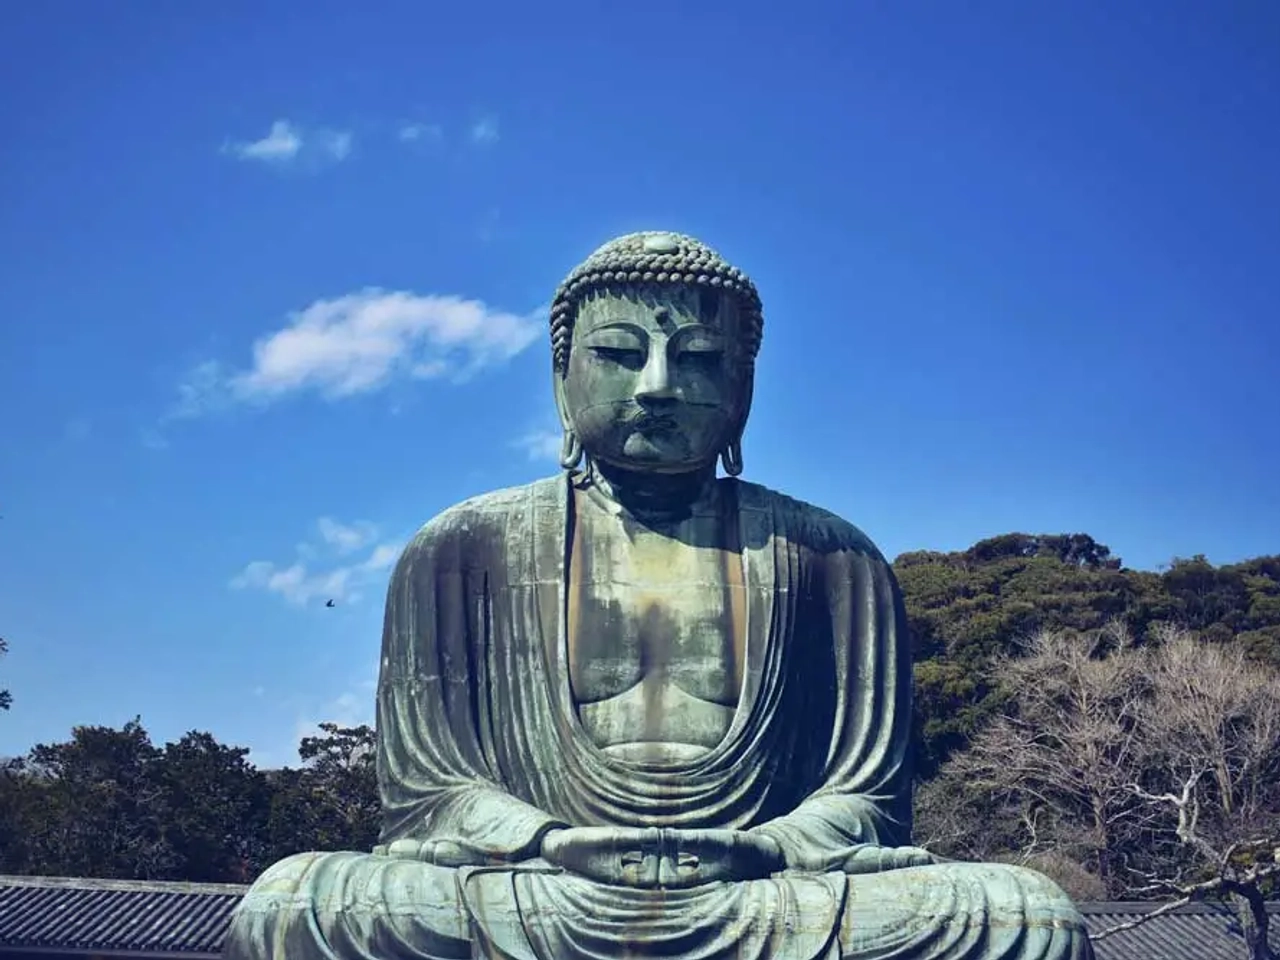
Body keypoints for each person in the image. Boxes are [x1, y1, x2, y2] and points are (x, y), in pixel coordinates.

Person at [224, 232, 1094, 960]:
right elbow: (429, 790)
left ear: (743, 387)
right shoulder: (460, 550)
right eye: (618, 352)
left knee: (1026, 916)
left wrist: (766, 845)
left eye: (700, 358)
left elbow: (867, 798)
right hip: (538, 889)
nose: (658, 385)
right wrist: (547, 840)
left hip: (762, 894)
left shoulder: (832, 557)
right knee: (292, 906)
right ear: (561, 375)